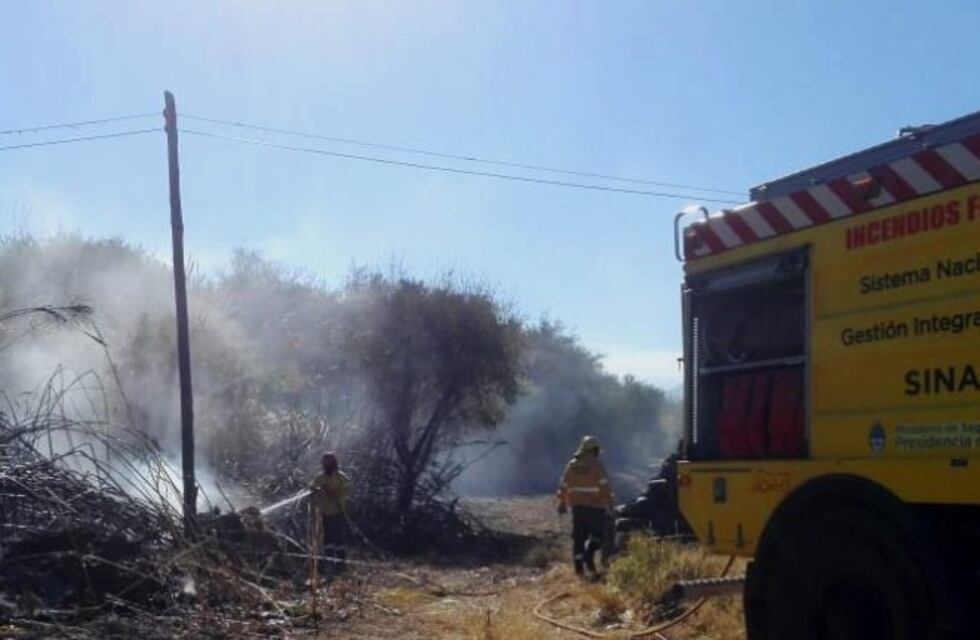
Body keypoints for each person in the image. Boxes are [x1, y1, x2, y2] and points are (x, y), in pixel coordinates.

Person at [556, 435, 614, 577]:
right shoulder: (596, 465)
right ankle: (589, 554)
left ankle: (579, 570)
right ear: (594, 450)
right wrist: (611, 502)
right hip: (596, 507)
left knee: (578, 539)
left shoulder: (572, 465)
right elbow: (605, 486)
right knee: (598, 536)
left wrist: (562, 502)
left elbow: (563, 485)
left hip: (578, 508)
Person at [309, 451, 352, 575]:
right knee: (328, 539)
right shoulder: (320, 478)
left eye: (329, 462)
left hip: (338, 512)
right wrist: (315, 489)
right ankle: (329, 563)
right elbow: (312, 486)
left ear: (334, 463)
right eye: (325, 462)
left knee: (339, 539)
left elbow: (348, 489)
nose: (327, 464)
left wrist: (337, 493)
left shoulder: (340, 476)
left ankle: (340, 564)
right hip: (325, 513)